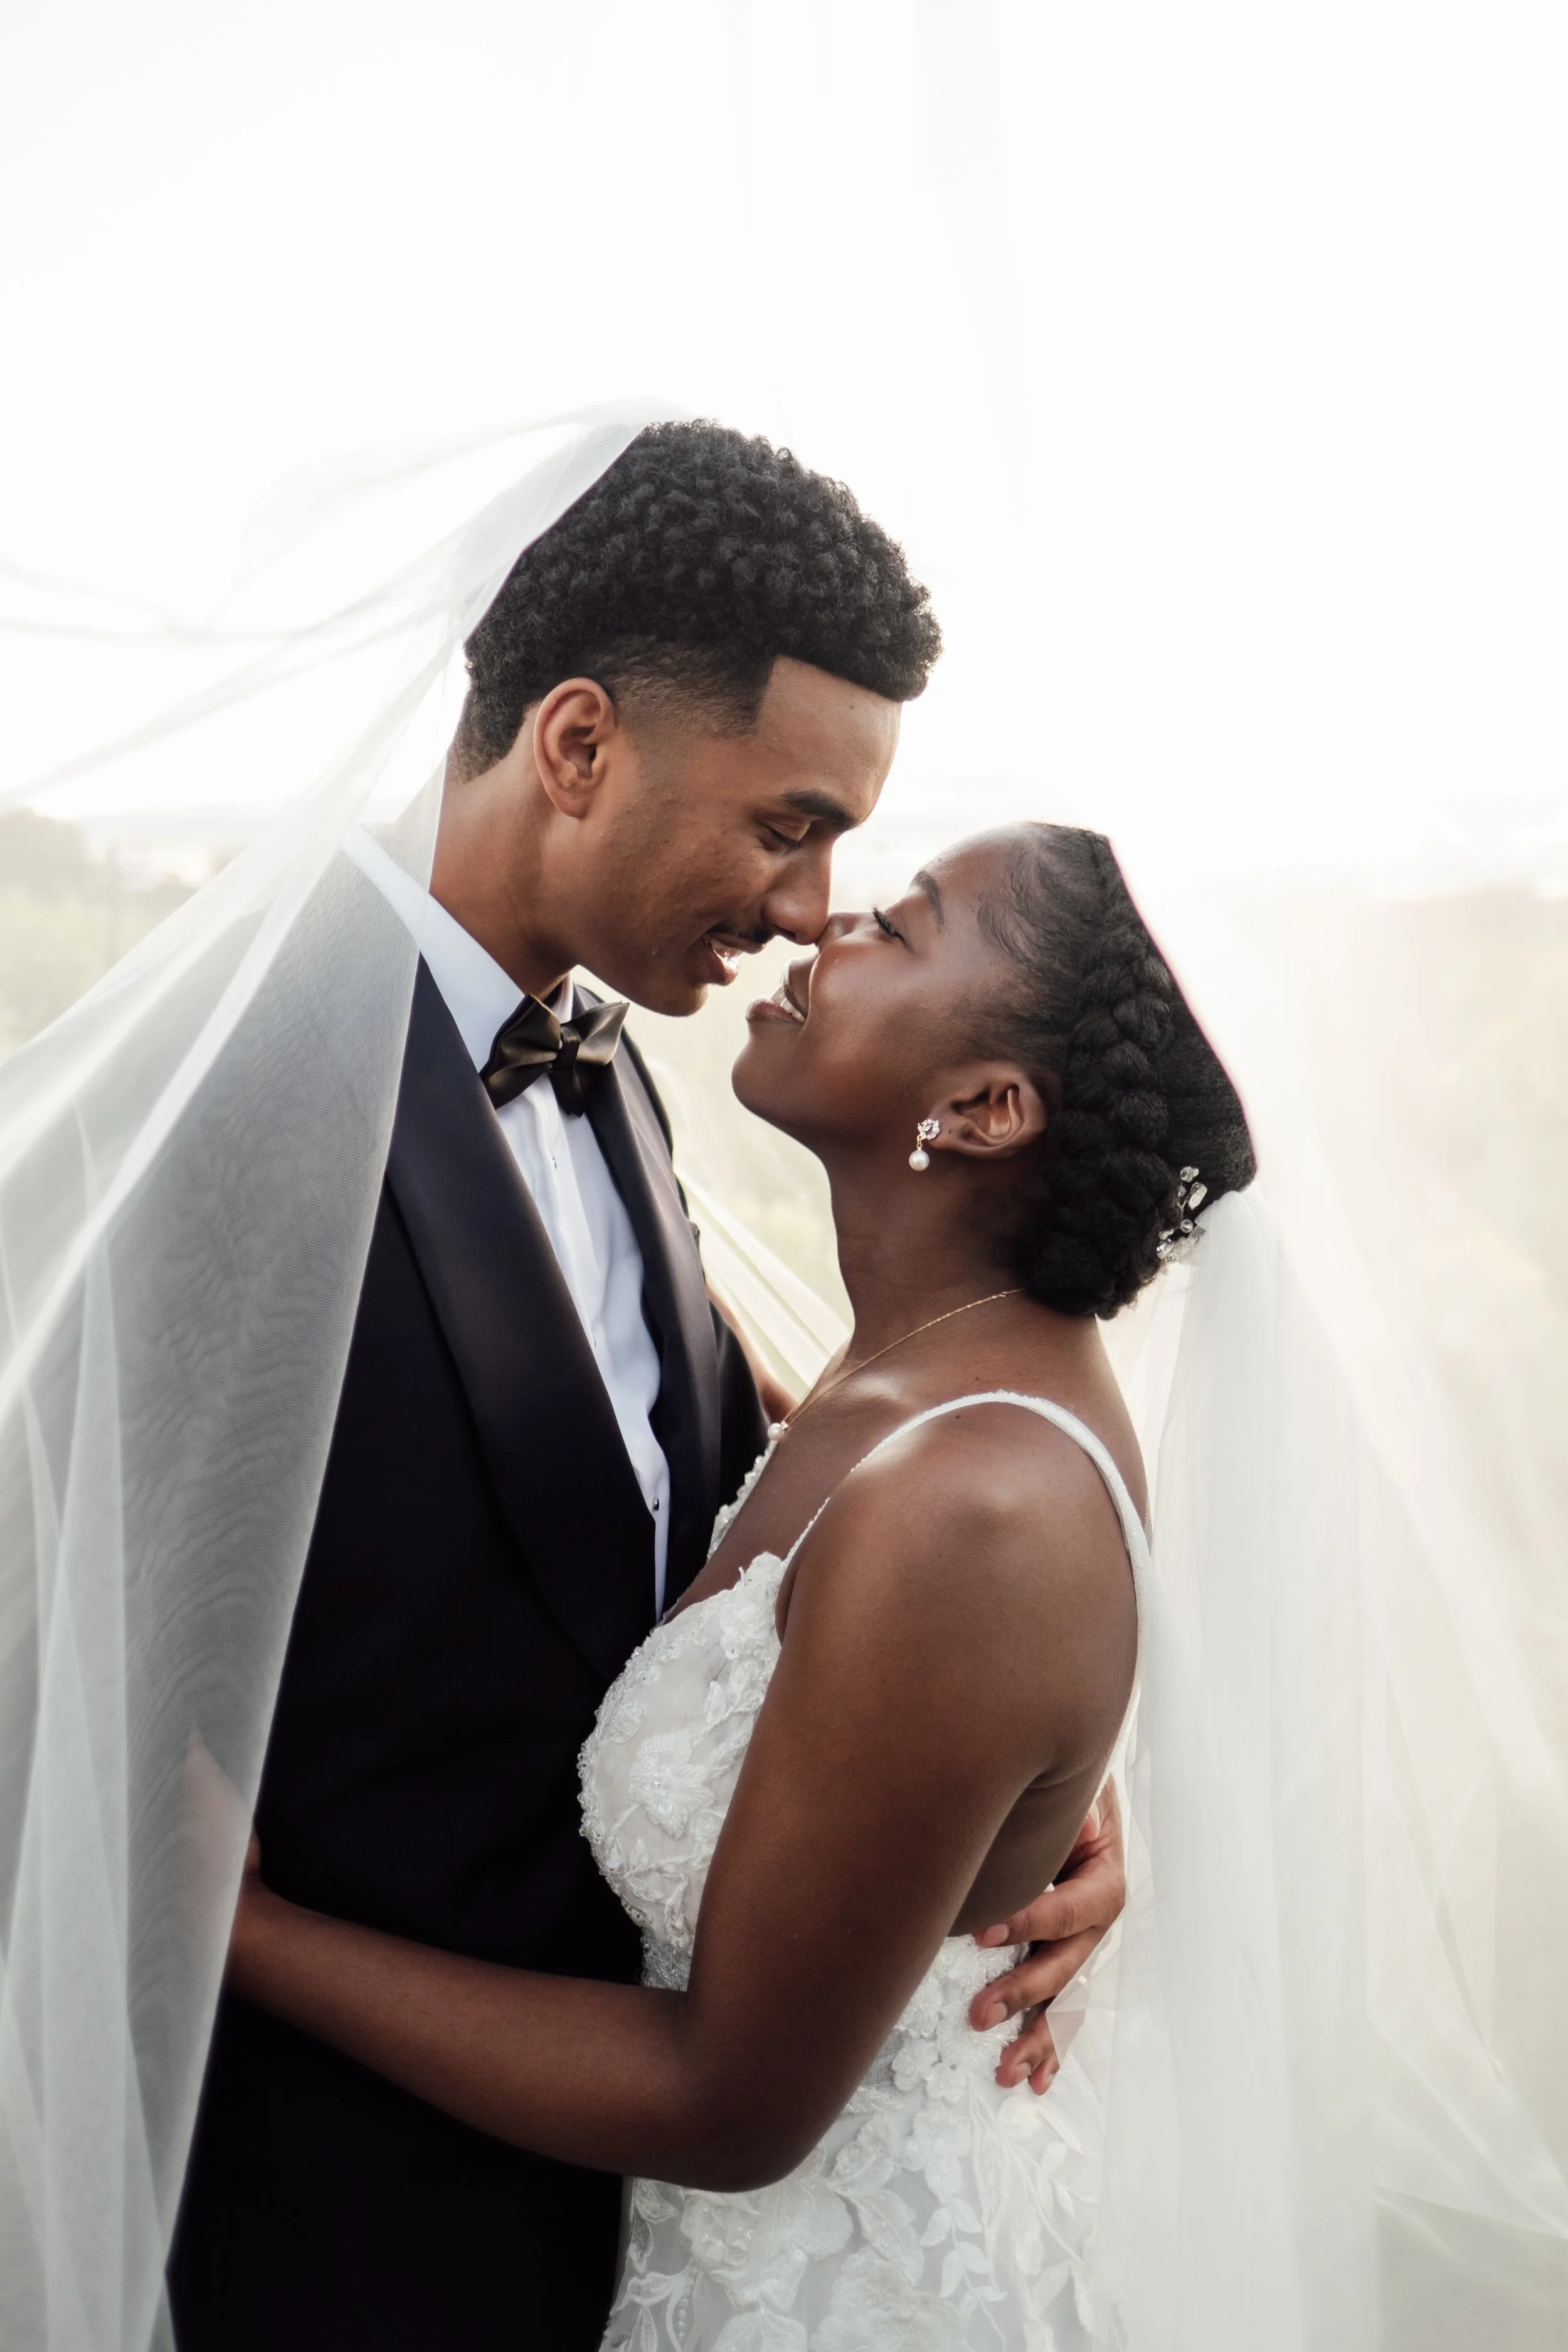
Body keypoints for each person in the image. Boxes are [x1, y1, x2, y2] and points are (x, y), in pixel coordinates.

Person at [168, 426, 1128, 2352]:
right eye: (788, 821)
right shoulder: (228, 1111)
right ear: (580, 743)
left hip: (627, 2234)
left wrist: (1010, 1786)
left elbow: (730, 1484)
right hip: (327, 2232)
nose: (806, 907)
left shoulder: (605, 1066)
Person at [223, 818, 1256, 2350]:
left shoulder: (973, 1512)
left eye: (896, 927)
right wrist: (1012, 1797)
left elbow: (729, 2106)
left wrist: (227, 1925)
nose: (815, 924)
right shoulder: (884, 1386)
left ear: (981, 1108)